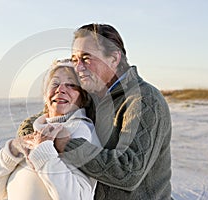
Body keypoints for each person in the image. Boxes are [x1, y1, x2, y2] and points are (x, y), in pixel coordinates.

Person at [17, 23, 173, 199]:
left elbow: (129, 171)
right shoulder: (91, 95)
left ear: (114, 58)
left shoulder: (144, 100)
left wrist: (67, 145)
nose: (78, 68)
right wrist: (33, 136)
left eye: (86, 58)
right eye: (75, 60)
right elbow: (47, 116)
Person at [0, 59, 101, 200]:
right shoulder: (34, 132)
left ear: (83, 98)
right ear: (46, 96)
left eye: (71, 85)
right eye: (55, 84)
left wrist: (44, 153)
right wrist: (13, 149)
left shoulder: (80, 131)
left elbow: (78, 197)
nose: (61, 89)